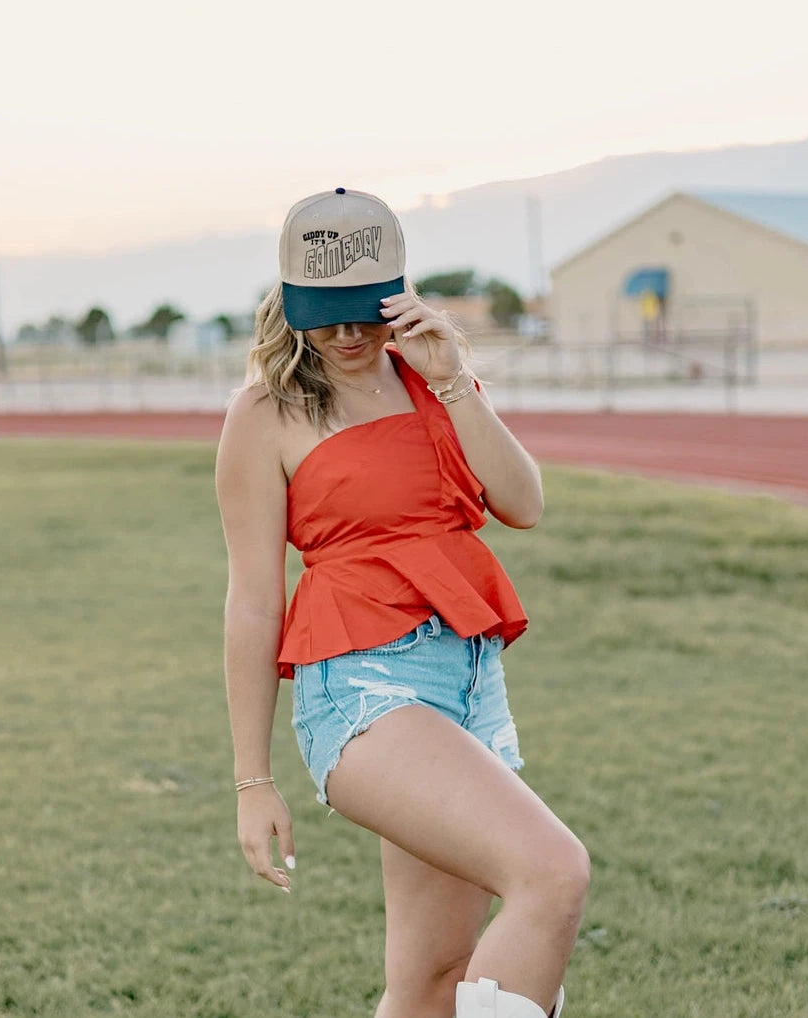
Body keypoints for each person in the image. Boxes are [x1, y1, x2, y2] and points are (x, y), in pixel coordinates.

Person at [215, 188, 590, 1018]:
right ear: (289, 301)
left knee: (431, 979)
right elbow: (251, 600)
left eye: (365, 313)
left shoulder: (434, 379)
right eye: (326, 316)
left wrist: (454, 381)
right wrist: (252, 781)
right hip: (361, 690)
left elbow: (522, 503)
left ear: (399, 293)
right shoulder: (266, 413)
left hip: (466, 683)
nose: (348, 336)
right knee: (551, 873)